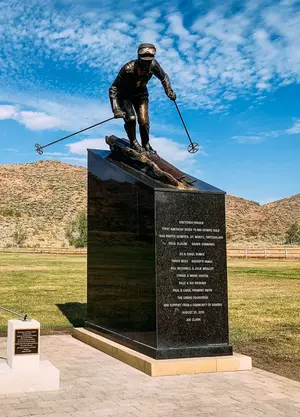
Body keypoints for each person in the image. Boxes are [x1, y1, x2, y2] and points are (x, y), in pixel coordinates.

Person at [109, 43, 176, 152]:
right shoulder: (127, 68)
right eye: (144, 61)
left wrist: (169, 90)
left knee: (144, 122)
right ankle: (134, 142)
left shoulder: (154, 65)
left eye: (149, 61)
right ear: (139, 58)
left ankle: (146, 144)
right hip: (125, 96)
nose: (147, 64)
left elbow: (163, 77)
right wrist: (116, 109)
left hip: (141, 95)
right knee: (131, 119)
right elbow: (113, 88)